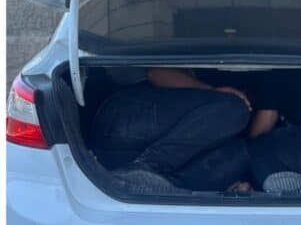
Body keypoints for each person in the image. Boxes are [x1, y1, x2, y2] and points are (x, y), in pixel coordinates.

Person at [89, 68, 278, 191]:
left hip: (117, 159)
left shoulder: (217, 136)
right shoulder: (229, 103)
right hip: (126, 118)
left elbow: (253, 143)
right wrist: (212, 91)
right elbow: (156, 73)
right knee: (234, 109)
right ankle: (147, 166)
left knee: (239, 154)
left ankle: (159, 184)